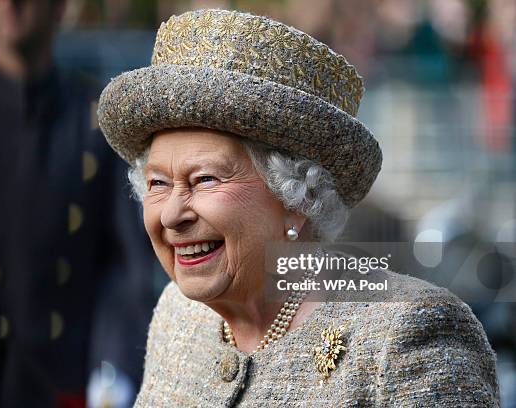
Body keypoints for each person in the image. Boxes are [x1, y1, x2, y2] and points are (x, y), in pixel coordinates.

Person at [96, 9, 501, 406]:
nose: (171, 215)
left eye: (205, 179)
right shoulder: (178, 315)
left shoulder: (408, 334)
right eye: (158, 184)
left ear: (297, 198)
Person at [0, 0, 154, 406]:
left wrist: (111, 372)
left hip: (61, 385)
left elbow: (127, 270)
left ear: (59, 8)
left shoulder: (95, 128)